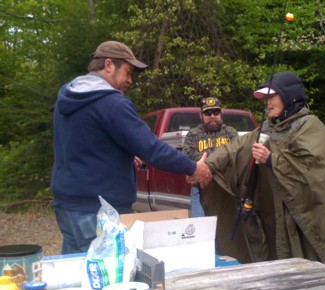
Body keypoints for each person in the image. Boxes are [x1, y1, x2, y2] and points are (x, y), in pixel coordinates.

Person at [51, 41, 211, 254]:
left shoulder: (69, 97)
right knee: (106, 276)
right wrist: (193, 168)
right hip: (99, 210)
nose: (130, 80)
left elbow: (85, 145)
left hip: (68, 204)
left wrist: (123, 156)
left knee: (76, 271)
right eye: (127, 72)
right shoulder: (110, 103)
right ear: (109, 65)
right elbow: (151, 148)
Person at [200, 71, 325, 273]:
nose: (266, 103)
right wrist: (207, 166)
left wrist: (271, 159)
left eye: (271, 97)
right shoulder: (269, 127)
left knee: (309, 271)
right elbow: (236, 148)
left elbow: (313, 171)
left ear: (289, 96)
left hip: (300, 218)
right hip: (273, 216)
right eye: (264, 99)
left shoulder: (310, 127)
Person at [182, 97, 238, 217]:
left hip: (226, 187)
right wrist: (219, 159)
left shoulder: (231, 133)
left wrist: (206, 161)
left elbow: (235, 156)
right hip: (201, 187)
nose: (212, 115)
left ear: (221, 113)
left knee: (226, 230)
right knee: (202, 228)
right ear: (201, 115)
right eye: (207, 112)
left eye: (216, 112)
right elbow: (187, 155)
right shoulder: (193, 134)